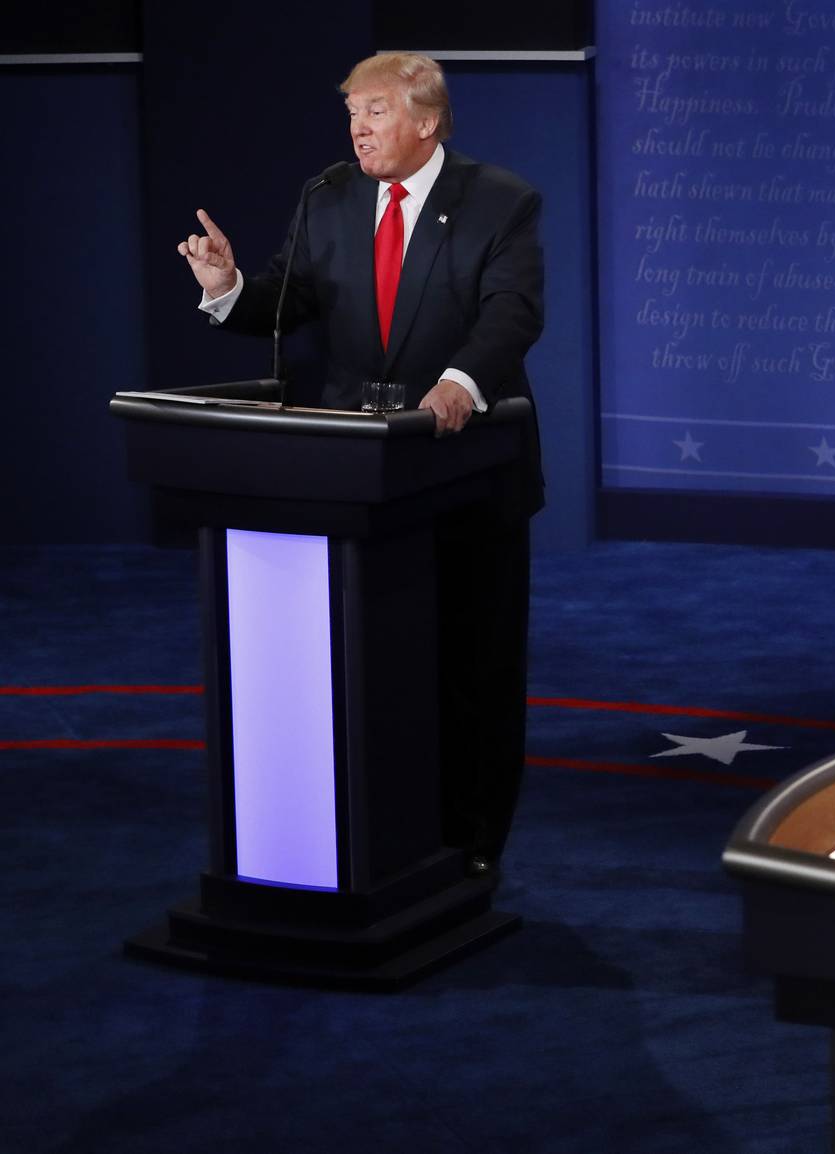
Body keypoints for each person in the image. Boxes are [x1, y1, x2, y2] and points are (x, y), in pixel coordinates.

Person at [176, 52, 545, 878]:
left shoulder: (500, 202)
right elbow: (289, 301)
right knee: (372, 673)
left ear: (428, 120)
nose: (358, 128)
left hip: (465, 473)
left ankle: (474, 844)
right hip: (356, 484)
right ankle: (379, 838)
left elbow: (512, 313)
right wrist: (229, 286)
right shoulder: (331, 196)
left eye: (376, 112)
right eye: (352, 113)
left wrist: (459, 381)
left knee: (471, 671)